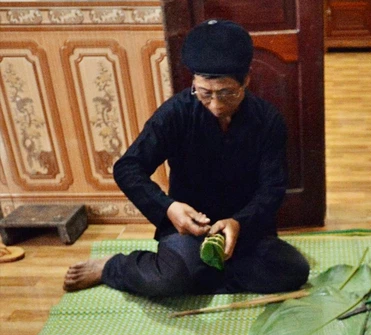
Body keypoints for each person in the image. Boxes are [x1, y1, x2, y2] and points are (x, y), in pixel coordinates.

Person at [63, 19, 309, 296]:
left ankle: (189, 274)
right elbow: (128, 168)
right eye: (205, 93)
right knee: (166, 280)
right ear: (194, 83)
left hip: (243, 230)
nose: (215, 104)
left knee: (294, 270)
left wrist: (240, 222)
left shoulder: (268, 120)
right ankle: (113, 267)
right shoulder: (176, 114)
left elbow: (272, 188)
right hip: (189, 231)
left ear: (246, 81)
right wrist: (168, 208)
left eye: (227, 92)